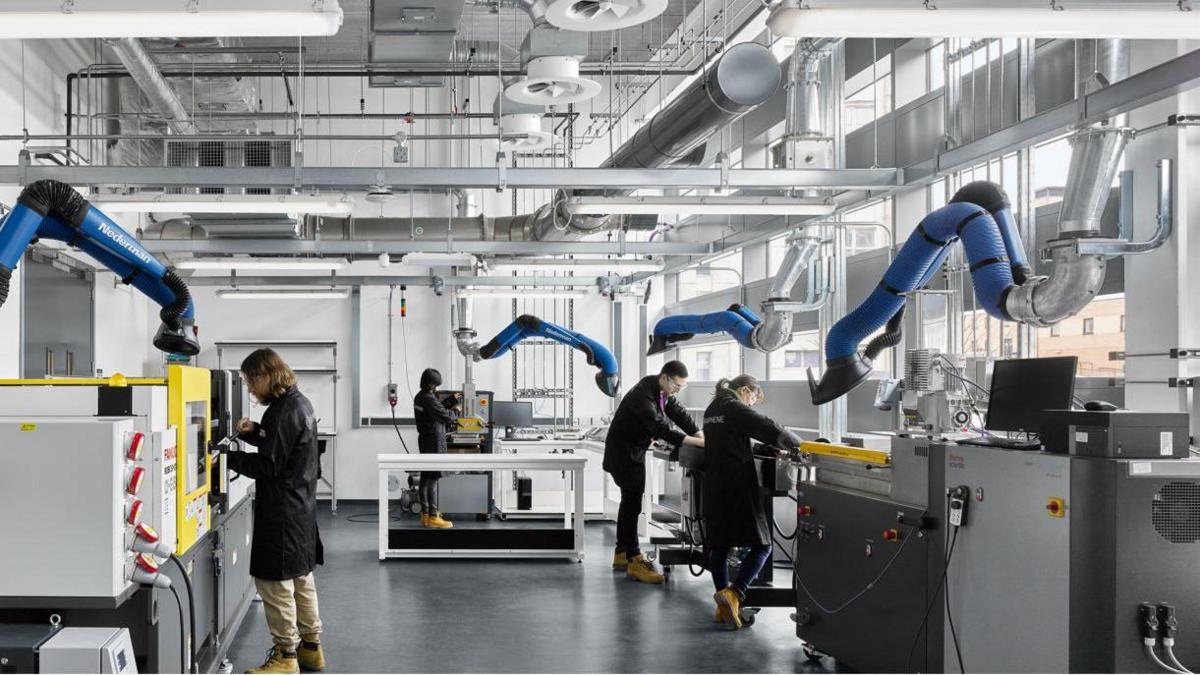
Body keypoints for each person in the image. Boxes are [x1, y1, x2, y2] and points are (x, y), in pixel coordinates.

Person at [223, 348, 325, 674]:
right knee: (300, 580)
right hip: (301, 508)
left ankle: (286, 657)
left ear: (266, 375)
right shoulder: (299, 403)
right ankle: (311, 649)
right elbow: (279, 446)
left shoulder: (282, 411)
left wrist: (227, 455)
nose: (252, 391)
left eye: (252, 383)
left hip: (281, 511)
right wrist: (254, 431)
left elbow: (269, 464)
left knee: (274, 583)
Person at [702, 374, 800, 629]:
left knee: (720, 546)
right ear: (745, 390)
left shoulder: (713, 408)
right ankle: (736, 592)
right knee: (763, 544)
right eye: (753, 398)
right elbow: (767, 426)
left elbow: (733, 441)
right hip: (737, 484)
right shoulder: (734, 407)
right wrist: (800, 446)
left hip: (714, 484)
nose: (752, 404)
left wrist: (764, 449)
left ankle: (723, 603)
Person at [603, 360, 704, 584]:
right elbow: (661, 430)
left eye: (682, 387)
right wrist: (699, 445)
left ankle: (622, 553)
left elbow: (677, 412)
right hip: (624, 454)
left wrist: (699, 434)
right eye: (677, 385)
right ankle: (635, 560)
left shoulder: (657, 387)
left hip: (631, 451)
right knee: (632, 504)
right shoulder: (643, 396)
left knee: (629, 503)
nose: (678, 390)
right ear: (665, 377)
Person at [413, 367, 462, 529]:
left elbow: (435, 410)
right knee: (434, 478)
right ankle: (434, 516)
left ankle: (426, 514)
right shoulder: (429, 398)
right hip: (435, 441)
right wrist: (457, 410)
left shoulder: (420, 397)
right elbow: (445, 416)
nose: (437, 387)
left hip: (425, 440)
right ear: (431, 384)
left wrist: (451, 400)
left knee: (426, 477)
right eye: (435, 385)